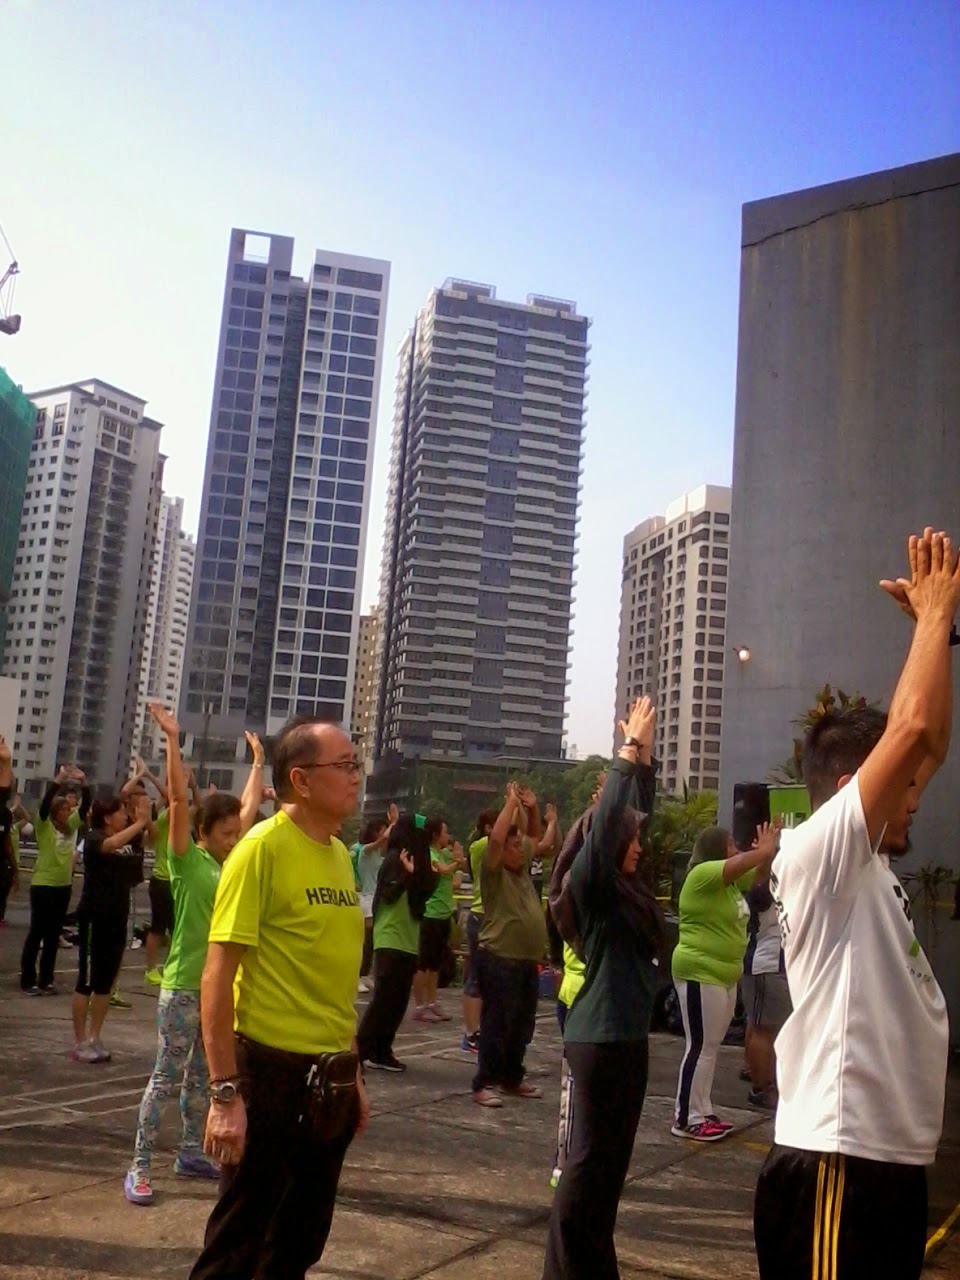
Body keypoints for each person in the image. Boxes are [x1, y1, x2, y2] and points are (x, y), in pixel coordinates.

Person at [754, 526, 954, 1280]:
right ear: (850, 793)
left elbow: (927, 741)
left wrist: (935, 635)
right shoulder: (819, 855)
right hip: (837, 1163)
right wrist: (934, 616)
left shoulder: (870, 873)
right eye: (901, 787)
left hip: (883, 1162)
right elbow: (912, 731)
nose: (916, 798)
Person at [189, 716, 368, 1280]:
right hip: (268, 1074)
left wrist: (354, 1071)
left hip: (328, 1078)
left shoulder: (338, 855)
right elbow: (216, 976)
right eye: (344, 765)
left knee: (297, 1244)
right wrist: (225, 1093)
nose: (356, 775)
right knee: (236, 1247)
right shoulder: (260, 850)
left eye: (356, 763)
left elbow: (332, 977)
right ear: (302, 780)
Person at [542, 697, 665, 1280]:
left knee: (609, 1173)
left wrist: (646, 765)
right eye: (629, 839)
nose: (639, 845)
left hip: (628, 1044)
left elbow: (637, 814)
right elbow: (610, 816)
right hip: (599, 1042)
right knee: (588, 1165)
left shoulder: (629, 891)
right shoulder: (591, 887)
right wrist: (627, 754)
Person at [125, 707, 263, 1205]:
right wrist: (172, 739)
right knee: (165, 1076)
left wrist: (257, 763)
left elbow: (248, 809)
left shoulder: (229, 860)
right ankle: (140, 1166)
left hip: (217, 990)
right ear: (203, 832)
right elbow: (180, 799)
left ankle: (188, 1151)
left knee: (204, 1078)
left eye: (235, 834)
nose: (234, 839)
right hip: (183, 985)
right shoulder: (186, 860)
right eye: (225, 834)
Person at [671, 822, 778, 1141]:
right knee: (700, 1046)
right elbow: (743, 862)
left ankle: (702, 1110)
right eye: (730, 844)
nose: (736, 849)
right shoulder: (702, 874)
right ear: (715, 849)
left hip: (722, 976)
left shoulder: (729, 885)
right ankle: (686, 1118)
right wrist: (762, 850)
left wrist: (766, 855)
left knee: (710, 1047)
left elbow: (758, 876)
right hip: (699, 972)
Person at [471, 783, 548, 1108]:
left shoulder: (521, 872)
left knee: (522, 1025)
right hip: (499, 958)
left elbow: (535, 836)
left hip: (525, 961)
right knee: (497, 1024)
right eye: (514, 846)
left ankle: (511, 1077)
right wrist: (511, 804)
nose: (520, 850)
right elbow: (497, 839)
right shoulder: (494, 872)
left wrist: (532, 808)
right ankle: (485, 1082)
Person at [72, 792, 153, 1062]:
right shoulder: (94, 838)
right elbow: (109, 845)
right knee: (86, 981)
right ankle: (80, 1041)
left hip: (117, 916)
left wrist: (144, 821)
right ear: (107, 817)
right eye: (120, 812)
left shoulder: (128, 841)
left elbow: (143, 847)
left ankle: (94, 1036)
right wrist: (139, 823)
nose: (125, 817)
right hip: (94, 916)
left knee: (105, 982)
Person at [357, 815, 434, 1071]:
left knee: (398, 1002)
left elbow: (426, 890)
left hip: (408, 939)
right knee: (383, 999)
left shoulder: (417, 861)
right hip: (389, 936)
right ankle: (360, 1051)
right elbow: (388, 895)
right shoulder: (393, 859)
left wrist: (416, 873)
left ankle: (382, 1050)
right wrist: (406, 876)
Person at [21, 765, 90, 995]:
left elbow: (86, 806)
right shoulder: (44, 826)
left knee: (53, 936)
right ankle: (28, 979)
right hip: (43, 885)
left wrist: (84, 782)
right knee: (37, 932)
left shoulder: (71, 828)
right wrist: (58, 780)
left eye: (69, 809)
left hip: (63, 886)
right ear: (54, 812)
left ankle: (46, 979)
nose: (67, 812)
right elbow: (43, 806)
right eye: (62, 809)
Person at [741, 866, 790, 1111]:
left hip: (767, 964)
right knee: (764, 1030)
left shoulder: (769, 882)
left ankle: (756, 1073)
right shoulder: (763, 887)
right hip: (766, 964)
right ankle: (761, 1087)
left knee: (758, 1024)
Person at [413, 819, 464, 1022]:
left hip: (444, 913)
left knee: (434, 963)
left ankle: (432, 1002)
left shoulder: (443, 853)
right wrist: (456, 862)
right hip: (430, 914)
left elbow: (458, 869)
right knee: (423, 962)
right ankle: (419, 1006)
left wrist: (458, 857)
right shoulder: (429, 854)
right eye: (444, 832)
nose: (447, 836)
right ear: (435, 835)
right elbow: (443, 870)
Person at [461, 809, 497, 1053]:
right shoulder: (481, 845)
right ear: (487, 828)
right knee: (476, 976)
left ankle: (481, 1029)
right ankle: (471, 1034)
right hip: (480, 915)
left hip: (489, 915)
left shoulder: (489, 846)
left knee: (488, 978)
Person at [352, 807, 395, 993]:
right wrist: (393, 823)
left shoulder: (378, 854)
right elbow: (383, 839)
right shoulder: (365, 851)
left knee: (372, 940)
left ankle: (364, 974)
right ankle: (355, 975)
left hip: (375, 897)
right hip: (365, 898)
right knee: (364, 939)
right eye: (382, 829)